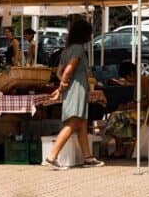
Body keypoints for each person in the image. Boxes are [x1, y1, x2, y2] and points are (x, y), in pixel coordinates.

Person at [42, 18, 104, 169]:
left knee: (82, 123)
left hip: (72, 89)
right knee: (74, 122)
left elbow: (59, 72)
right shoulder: (78, 49)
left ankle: (88, 158)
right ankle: (52, 155)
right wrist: (64, 85)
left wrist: (62, 86)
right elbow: (69, 69)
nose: (91, 36)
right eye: (89, 33)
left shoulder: (66, 50)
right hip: (77, 89)